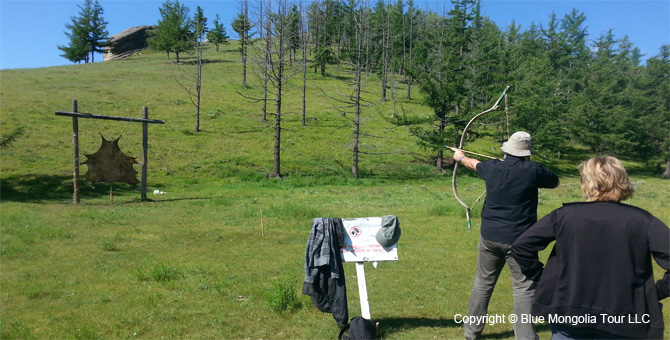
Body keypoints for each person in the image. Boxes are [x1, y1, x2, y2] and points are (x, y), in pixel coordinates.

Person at [511, 156, 669, 339]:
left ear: (587, 183)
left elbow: (522, 246)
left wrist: (654, 292)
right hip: (615, 314)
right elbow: (522, 247)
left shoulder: (564, 216)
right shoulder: (642, 220)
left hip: (575, 310)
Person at [450, 131, 560, 340]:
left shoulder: (492, 167)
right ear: (527, 153)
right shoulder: (533, 170)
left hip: (490, 237)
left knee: (483, 283)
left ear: (507, 150)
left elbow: (473, 164)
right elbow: (554, 181)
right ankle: (525, 337)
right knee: (524, 288)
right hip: (521, 242)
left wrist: (460, 157)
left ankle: (471, 334)